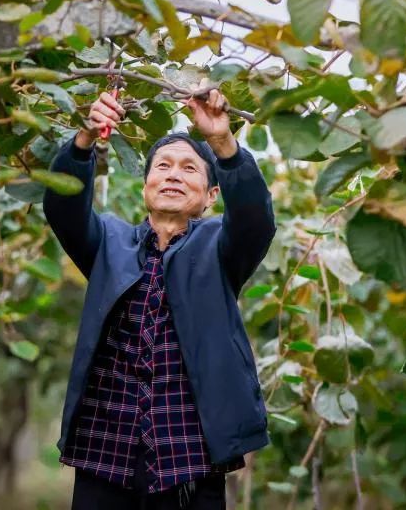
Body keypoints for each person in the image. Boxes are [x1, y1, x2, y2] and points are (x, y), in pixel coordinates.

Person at [43, 85, 276, 510]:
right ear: (146, 185)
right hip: (104, 453)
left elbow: (255, 220)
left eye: (189, 168)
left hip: (189, 458)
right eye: (163, 166)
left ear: (210, 197)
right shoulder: (109, 244)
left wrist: (222, 143)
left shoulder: (219, 249)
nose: (172, 174)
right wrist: (84, 139)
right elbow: (64, 210)